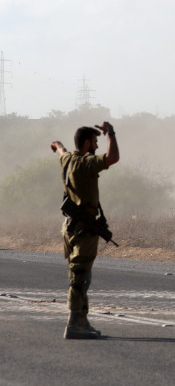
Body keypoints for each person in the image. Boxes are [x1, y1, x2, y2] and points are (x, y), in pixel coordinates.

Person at [51, 121, 119, 339]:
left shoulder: (67, 159)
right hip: (83, 230)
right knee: (80, 276)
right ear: (88, 142)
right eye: (95, 142)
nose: (97, 146)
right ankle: (73, 323)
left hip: (69, 228)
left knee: (78, 272)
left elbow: (60, 149)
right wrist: (111, 133)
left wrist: (56, 144)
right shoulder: (86, 163)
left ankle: (83, 320)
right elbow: (112, 157)